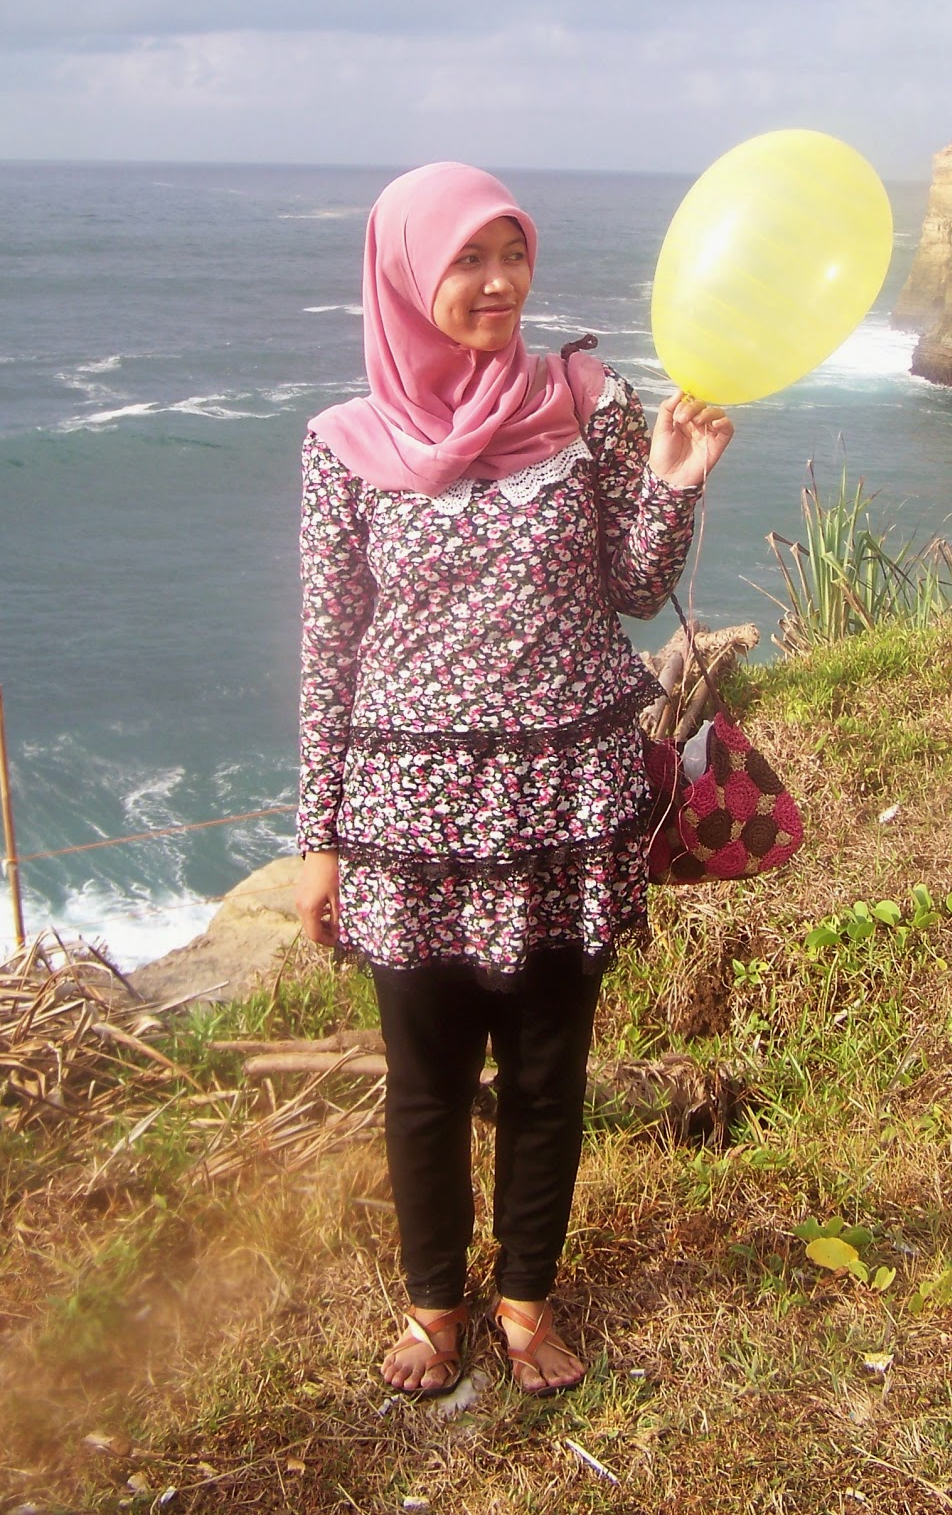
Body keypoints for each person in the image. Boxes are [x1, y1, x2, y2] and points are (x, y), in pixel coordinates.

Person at [293, 162, 732, 1397]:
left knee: (547, 1074)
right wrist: (320, 835)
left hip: (564, 799)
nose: (499, 283)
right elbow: (329, 647)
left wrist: (676, 475)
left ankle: (527, 1301)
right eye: (468, 259)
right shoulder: (343, 445)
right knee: (426, 1081)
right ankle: (434, 1306)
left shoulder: (585, 398)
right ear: (404, 275)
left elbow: (636, 585)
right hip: (410, 816)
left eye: (513, 252)